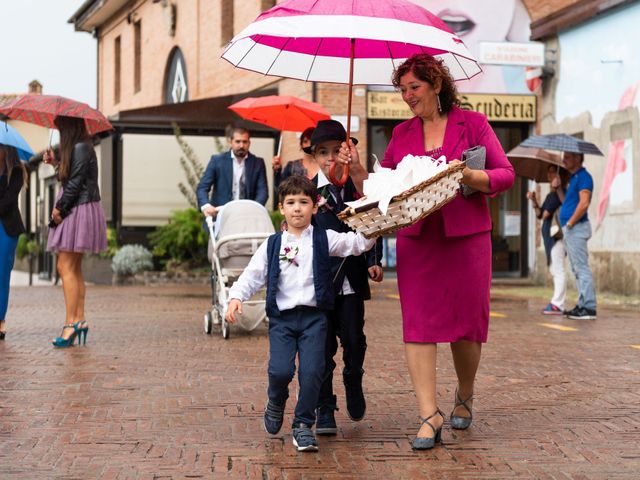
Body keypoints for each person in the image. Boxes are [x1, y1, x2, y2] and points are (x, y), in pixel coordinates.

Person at [338, 53, 515, 450]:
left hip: (466, 240)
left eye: (413, 87)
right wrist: (355, 172)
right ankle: (428, 415)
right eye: (402, 90)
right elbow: (380, 191)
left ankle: (464, 394)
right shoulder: (400, 135)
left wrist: (471, 175)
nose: (407, 96)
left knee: (467, 327)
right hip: (418, 242)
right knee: (418, 325)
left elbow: (505, 174)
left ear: (436, 85)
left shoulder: (474, 124)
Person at [225, 175, 376, 452]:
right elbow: (253, 274)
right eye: (291, 202)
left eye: (304, 202)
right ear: (281, 207)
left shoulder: (323, 238)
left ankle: (303, 425)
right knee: (280, 370)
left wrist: (374, 225)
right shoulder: (273, 244)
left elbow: (355, 244)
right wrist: (236, 297)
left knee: (313, 372)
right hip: (282, 320)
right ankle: (276, 398)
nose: (297, 208)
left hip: (314, 319)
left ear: (314, 208)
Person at [302, 119, 383, 435]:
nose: (330, 158)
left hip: (351, 276)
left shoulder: (356, 186)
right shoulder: (308, 190)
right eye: (324, 152)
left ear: (348, 151)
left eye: (337, 150)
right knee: (321, 348)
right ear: (316, 157)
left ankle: (353, 377)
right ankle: (324, 407)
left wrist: (372, 260)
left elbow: (376, 219)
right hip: (320, 282)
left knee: (353, 339)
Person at [44, 116, 108, 348]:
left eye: (61, 128)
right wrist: (55, 163)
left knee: (64, 267)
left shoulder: (80, 147)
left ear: (68, 128)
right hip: (82, 206)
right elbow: (71, 175)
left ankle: (70, 323)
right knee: (74, 267)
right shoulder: (81, 148)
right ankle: (79, 319)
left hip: (77, 208)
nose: (59, 132)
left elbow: (74, 183)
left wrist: (59, 209)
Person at [553, 152, 597, 320]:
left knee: (581, 267)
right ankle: (583, 304)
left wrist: (570, 223)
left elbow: (584, 203)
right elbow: (567, 203)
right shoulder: (575, 178)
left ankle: (589, 307)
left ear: (578, 159)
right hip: (572, 228)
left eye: (568, 157)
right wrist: (558, 189)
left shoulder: (584, 177)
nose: (564, 159)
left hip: (576, 228)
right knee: (576, 268)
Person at [197, 126, 268, 218]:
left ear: (249, 143)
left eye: (245, 142)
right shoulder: (217, 161)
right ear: (230, 142)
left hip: (247, 216)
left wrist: (254, 209)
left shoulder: (258, 163)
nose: (241, 145)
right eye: (238, 141)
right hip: (220, 215)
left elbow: (262, 191)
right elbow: (203, 187)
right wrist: (206, 206)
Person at [527, 165, 569, 315]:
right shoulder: (551, 195)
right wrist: (533, 201)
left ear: (560, 175)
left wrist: (557, 189)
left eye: (553, 171)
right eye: (549, 171)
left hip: (557, 236)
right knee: (554, 269)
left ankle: (558, 304)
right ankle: (557, 302)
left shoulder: (561, 193)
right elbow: (540, 214)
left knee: (558, 269)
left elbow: (546, 214)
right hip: (549, 237)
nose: (549, 174)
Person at [0, 144, 28, 340]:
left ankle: (0, 319)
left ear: (6, 149)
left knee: (2, 274)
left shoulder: (16, 171)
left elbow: (9, 201)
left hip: (7, 228)